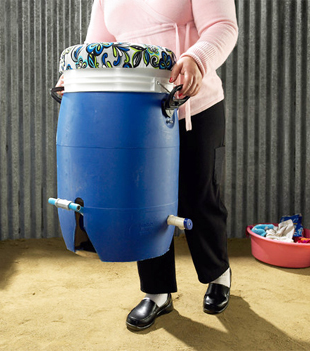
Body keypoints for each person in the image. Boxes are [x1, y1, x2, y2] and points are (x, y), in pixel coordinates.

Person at [58, 0, 238, 331]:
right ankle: (157, 293)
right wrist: (77, 78)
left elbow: (223, 27)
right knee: (143, 202)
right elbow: (96, 50)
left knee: (200, 197)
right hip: (134, 110)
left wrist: (196, 59)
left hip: (192, 104)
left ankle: (217, 274)